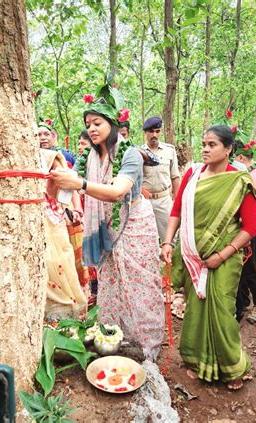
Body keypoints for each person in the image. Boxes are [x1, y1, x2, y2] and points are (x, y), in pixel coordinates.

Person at [50, 81, 164, 360]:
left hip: (134, 225)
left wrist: (79, 184)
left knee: (139, 285)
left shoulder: (130, 154)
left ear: (113, 124)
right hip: (107, 229)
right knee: (112, 285)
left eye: (97, 122)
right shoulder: (89, 155)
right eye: (88, 123)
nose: (91, 128)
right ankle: (113, 336)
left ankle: (146, 347)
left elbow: (116, 192)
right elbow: (68, 185)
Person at [161, 125, 256, 389]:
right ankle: (196, 361)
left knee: (222, 311)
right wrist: (168, 242)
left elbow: (250, 227)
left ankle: (232, 368)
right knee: (196, 309)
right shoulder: (192, 175)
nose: (205, 149)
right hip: (193, 253)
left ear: (228, 149)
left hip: (224, 257)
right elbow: (176, 210)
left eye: (212, 144)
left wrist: (222, 254)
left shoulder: (239, 182)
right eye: (204, 143)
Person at [41, 149, 87, 321]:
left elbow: (70, 187)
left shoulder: (50, 157)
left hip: (54, 218)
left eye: (45, 133)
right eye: (38, 134)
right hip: (32, 219)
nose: (41, 137)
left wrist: (75, 209)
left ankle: (65, 308)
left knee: (59, 261)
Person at [234, 139, 256, 324]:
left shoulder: (252, 177)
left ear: (240, 157)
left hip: (249, 227)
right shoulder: (255, 173)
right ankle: (244, 301)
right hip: (248, 225)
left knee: (248, 268)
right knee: (243, 267)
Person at [141, 116, 180, 242]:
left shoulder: (169, 150)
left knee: (169, 239)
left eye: (157, 131)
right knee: (145, 239)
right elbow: (133, 179)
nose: (154, 135)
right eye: (151, 131)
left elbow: (175, 176)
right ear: (146, 132)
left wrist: (177, 201)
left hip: (164, 201)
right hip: (145, 202)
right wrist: (141, 190)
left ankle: (170, 261)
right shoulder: (138, 152)